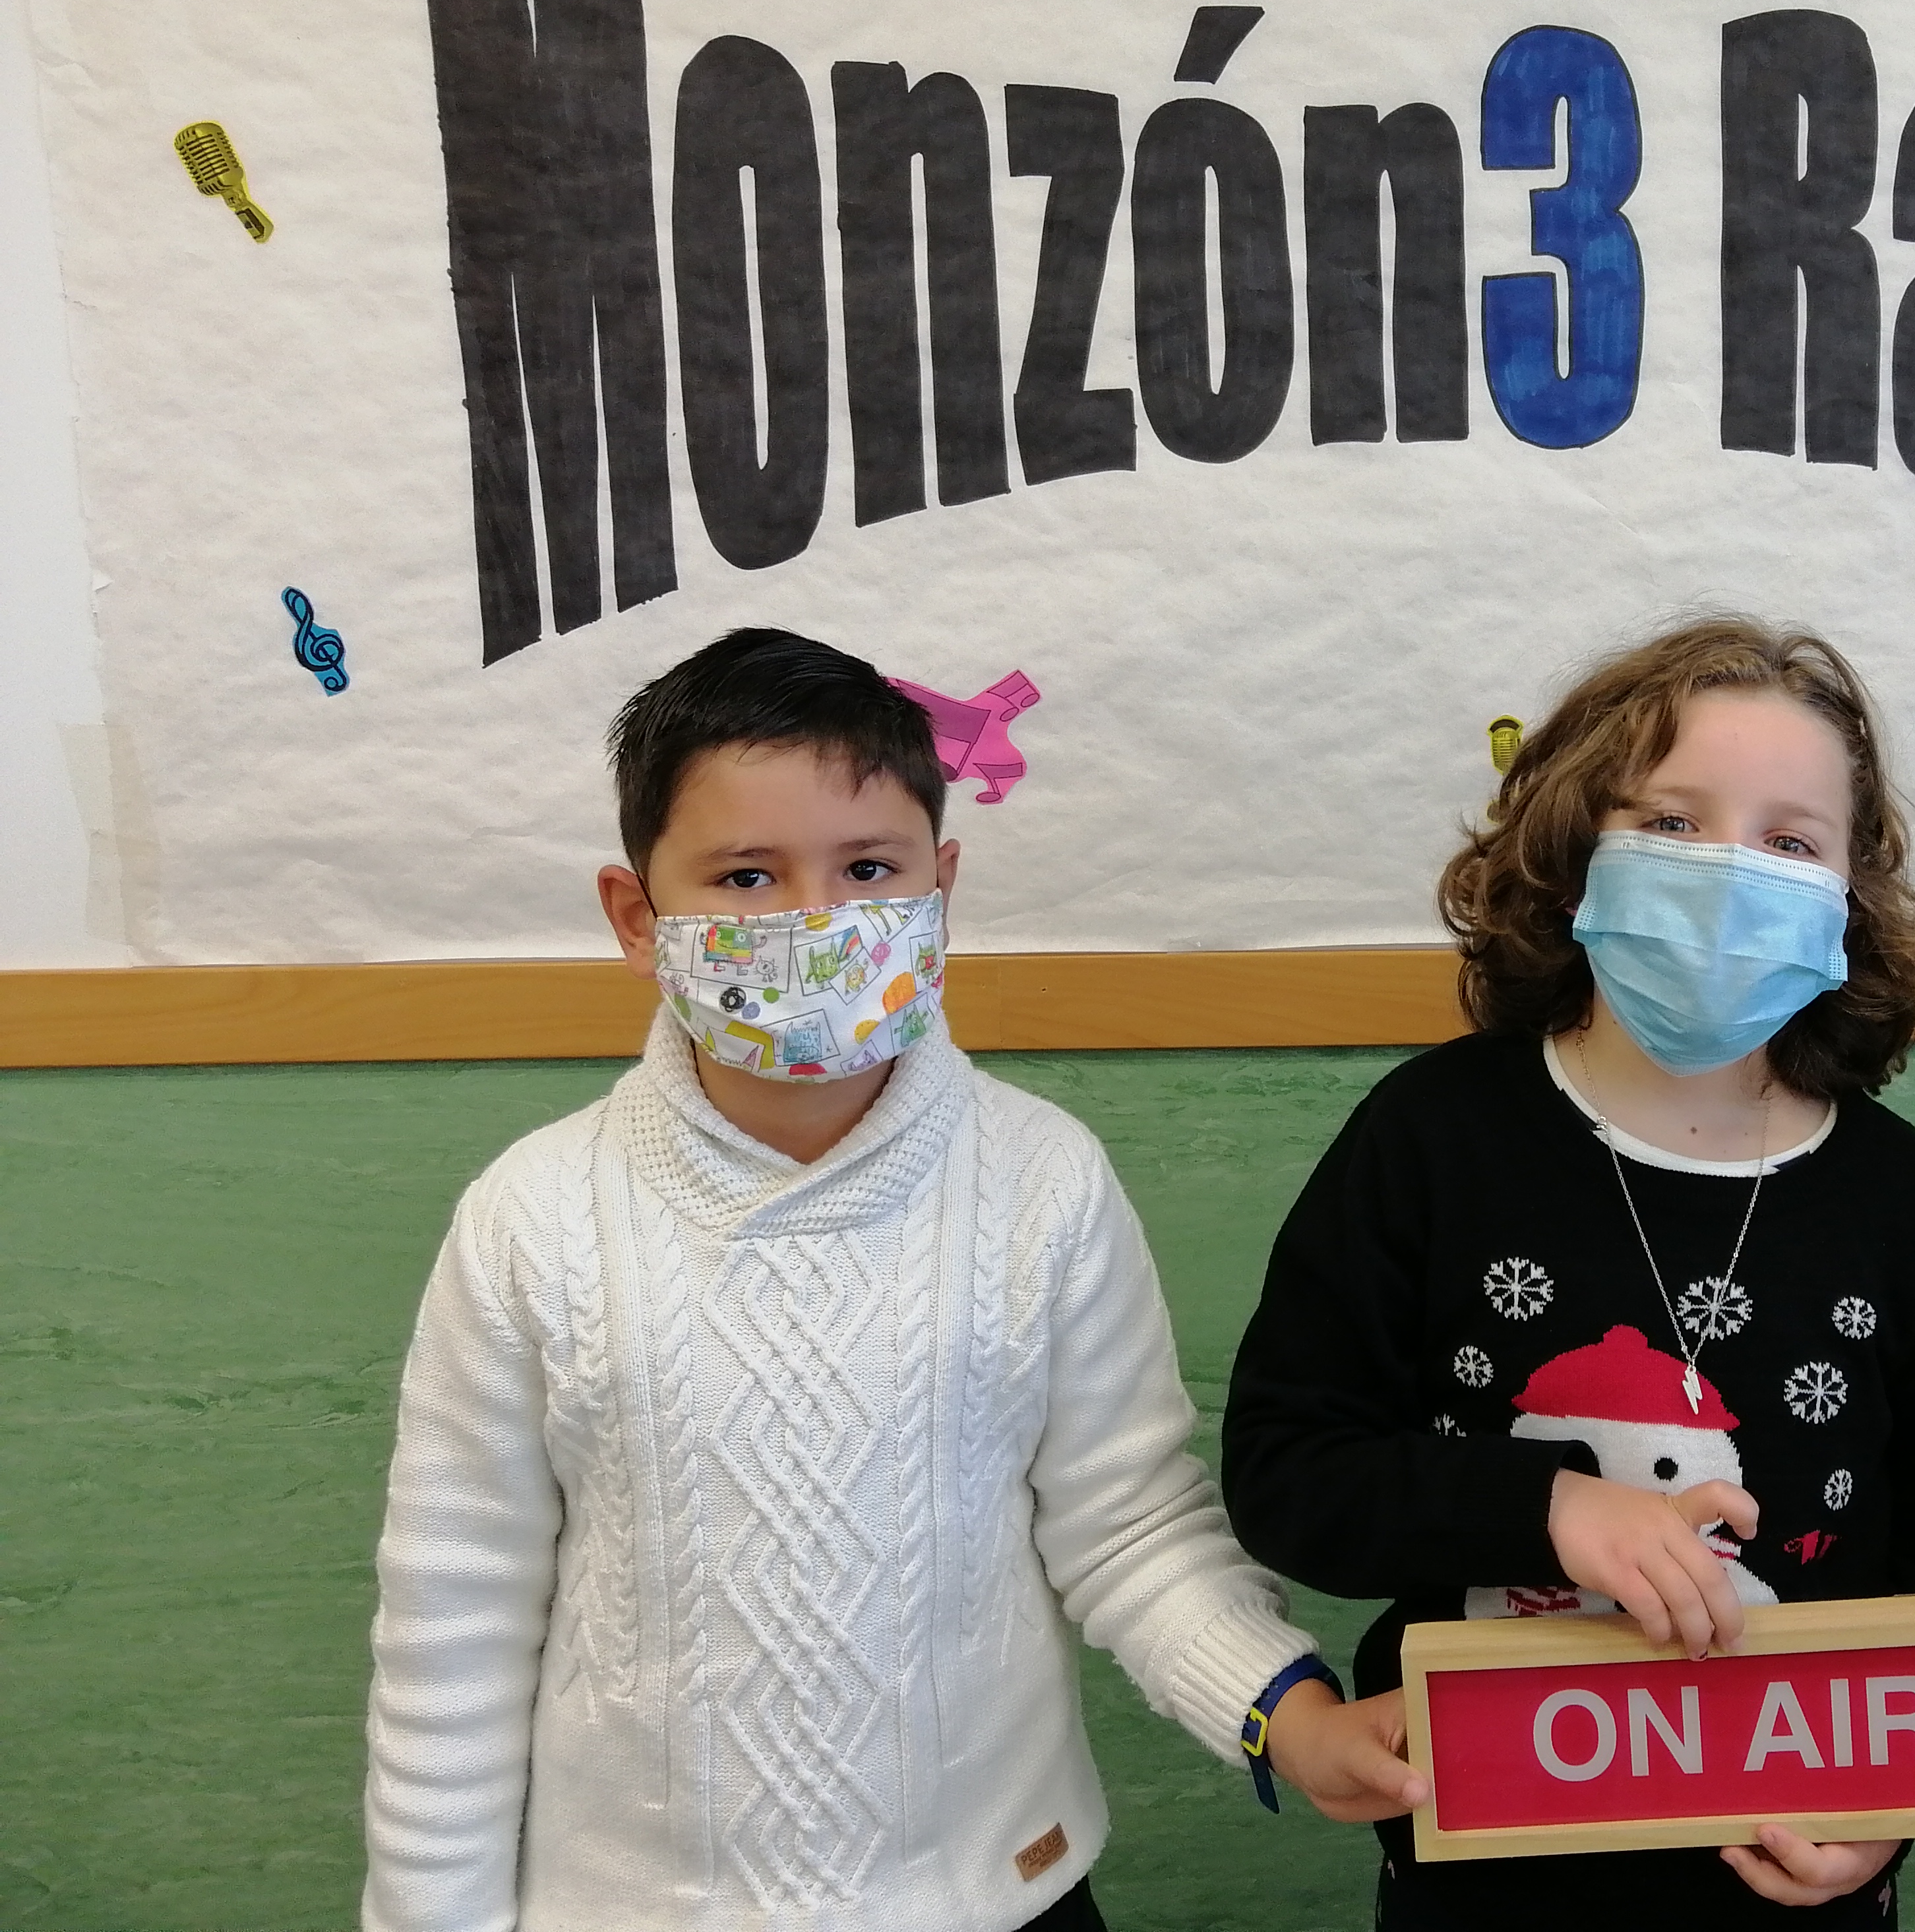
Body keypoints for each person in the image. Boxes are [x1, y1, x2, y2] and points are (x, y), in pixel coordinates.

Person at [361, 626, 1420, 1932]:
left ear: (940, 887)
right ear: (638, 917)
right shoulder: (531, 1218)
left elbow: (1128, 1525)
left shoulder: (1043, 1179)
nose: (813, 920)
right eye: (746, 877)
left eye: (867, 869)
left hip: (1000, 1896)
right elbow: (453, 1625)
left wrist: (1286, 1716)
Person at [1223, 617, 1915, 1928]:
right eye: (1671, 821)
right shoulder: (1432, 1139)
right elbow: (1288, 1476)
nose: (1729, 872)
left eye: (1790, 842)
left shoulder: (1907, 1205)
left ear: (1849, 902)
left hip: (1798, 1884)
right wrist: (1547, 1504)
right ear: (1573, 861)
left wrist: (1890, 1818)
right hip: (1482, 1884)